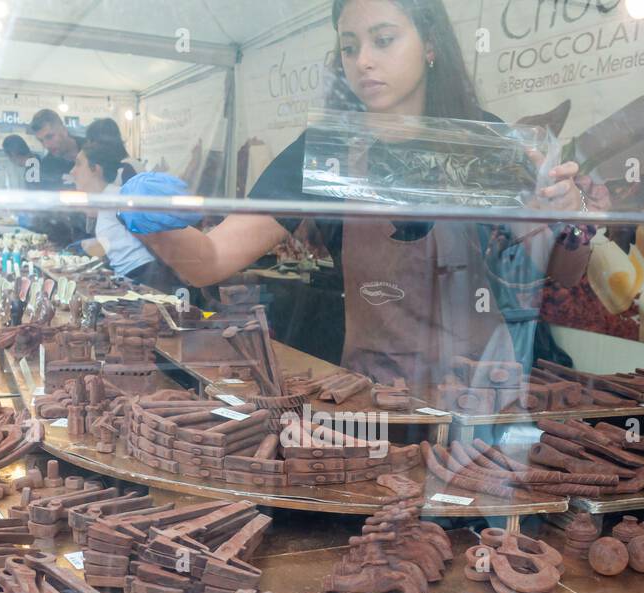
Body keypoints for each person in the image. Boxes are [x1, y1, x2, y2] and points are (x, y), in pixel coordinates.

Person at [132, 0, 589, 395]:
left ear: (430, 45)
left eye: (383, 40)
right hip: (373, 394)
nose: (363, 61)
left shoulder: (485, 144)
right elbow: (209, 260)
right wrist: (158, 223)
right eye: (349, 47)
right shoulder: (325, 152)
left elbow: (565, 272)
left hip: (479, 394)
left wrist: (567, 218)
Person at [70, 141, 179, 292]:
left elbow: (152, 237)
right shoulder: (105, 200)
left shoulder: (117, 197)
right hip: (129, 278)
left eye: (78, 164)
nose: (72, 171)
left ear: (96, 169)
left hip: (144, 276)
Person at [29, 109, 83, 188]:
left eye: (49, 137)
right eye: (41, 141)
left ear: (64, 130)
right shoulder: (47, 167)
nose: (46, 145)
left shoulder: (91, 149)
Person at [84, 117, 138, 185]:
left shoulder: (126, 168)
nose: (88, 145)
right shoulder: (118, 166)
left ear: (103, 142)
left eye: (91, 141)